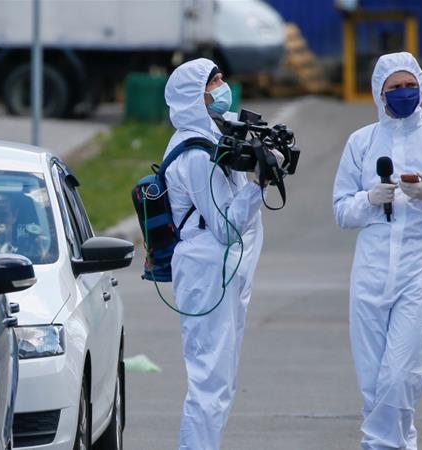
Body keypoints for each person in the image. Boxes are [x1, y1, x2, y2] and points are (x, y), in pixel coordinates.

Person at [332, 52, 422, 449]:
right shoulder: (360, 142)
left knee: (401, 376)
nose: (403, 94)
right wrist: (368, 198)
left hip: (421, 271)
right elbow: (342, 212)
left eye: (409, 85)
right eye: (394, 88)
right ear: (379, 93)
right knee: (373, 383)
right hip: (370, 274)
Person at [162, 58, 281, 450]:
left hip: (220, 268)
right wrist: (258, 184)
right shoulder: (194, 152)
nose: (222, 86)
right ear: (192, 96)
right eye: (213, 82)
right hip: (207, 271)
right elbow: (226, 227)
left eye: (220, 78)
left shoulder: (212, 136)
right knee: (209, 380)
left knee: (221, 380)